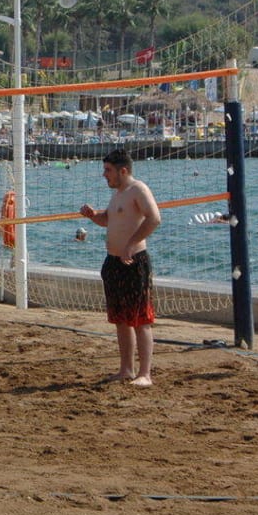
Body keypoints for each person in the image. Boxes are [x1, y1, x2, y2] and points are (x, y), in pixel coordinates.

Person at [79, 149, 161, 387]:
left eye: (108, 170)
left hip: (134, 261)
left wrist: (131, 244)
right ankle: (126, 368)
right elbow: (109, 220)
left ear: (123, 170)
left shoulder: (138, 189)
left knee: (140, 319)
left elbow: (154, 218)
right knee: (120, 319)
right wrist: (93, 215)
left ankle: (145, 373)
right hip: (114, 261)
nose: (105, 175)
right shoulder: (118, 194)